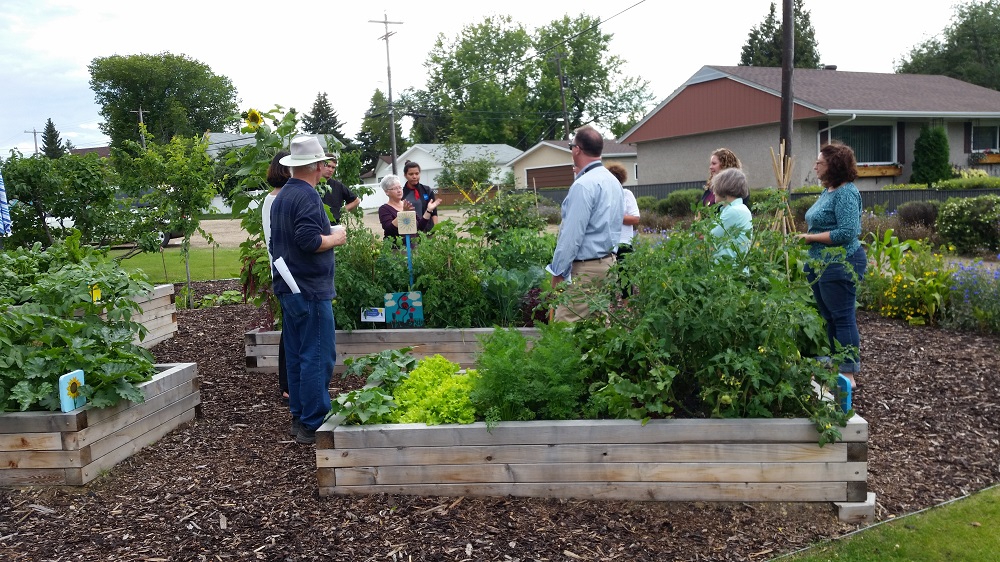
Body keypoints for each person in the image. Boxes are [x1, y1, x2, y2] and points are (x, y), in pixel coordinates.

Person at [269, 136, 347, 445]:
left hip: (289, 286)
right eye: (323, 163)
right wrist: (335, 237)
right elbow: (309, 240)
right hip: (309, 288)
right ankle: (315, 423)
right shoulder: (307, 197)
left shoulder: (284, 194)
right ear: (315, 165)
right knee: (317, 355)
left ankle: (301, 417)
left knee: (300, 353)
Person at [798, 141, 867, 390]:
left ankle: (848, 373)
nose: (815, 166)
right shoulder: (829, 191)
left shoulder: (847, 193)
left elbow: (847, 232)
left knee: (843, 316)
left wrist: (810, 238)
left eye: (820, 162)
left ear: (834, 166)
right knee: (830, 316)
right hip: (820, 263)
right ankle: (837, 362)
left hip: (841, 262)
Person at [546, 125, 624, 322]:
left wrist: (558, 272)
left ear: (577, 149)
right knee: (597, 331)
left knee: (565, 330)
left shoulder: (584, 185)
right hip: (608, 264)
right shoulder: (612, 181)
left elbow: (571, 235)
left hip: (585, 270)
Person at [262, 150, 290, 405]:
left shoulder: (275, 198)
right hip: (286, 273)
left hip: (284, 271)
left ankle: (289, 383)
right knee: (290, 331)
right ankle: (287, 385)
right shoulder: (275, 200)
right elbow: (276, 243)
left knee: (290, 330)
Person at [607, 163, 639, 299]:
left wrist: (616, 216)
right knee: (607, 278)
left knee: (625, 278)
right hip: (608, 244)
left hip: (624, 243)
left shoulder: (626, 194)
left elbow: (635, 219)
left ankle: (628, 309)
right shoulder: (605, 196)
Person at [708, 168, 753, 261]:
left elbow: (710, 237)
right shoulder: (737, 208)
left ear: (724, 187)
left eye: (716, 187)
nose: (713, 192)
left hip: (730, 271)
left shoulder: (734, 211)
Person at [378, 174, 438, 241]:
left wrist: (428, 210)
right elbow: (389, 230)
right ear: (386, 192)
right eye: (395, 188)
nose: (399, 190)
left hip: (412, 246)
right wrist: (404, 213)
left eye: (400, 187)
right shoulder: (384, 209)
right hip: (396, 248)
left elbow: (419, 227)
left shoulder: (407, 204)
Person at [318, 153, 360, 225]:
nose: (330, 170)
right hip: (316, 224)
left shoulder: (338, 186)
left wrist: (341, 211)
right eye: (328, 166)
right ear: (321, 165)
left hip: (333, 225)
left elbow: (356, 201)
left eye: (333, 167)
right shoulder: (313, 183)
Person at [402, 161, 439, 226]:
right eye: (411, 174)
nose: (414, 176)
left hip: (427, 231)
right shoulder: (401, 193)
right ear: (405, 175)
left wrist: (435, 229)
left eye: (417, 173)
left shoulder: (427, 190)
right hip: (409, 230)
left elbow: (434, 213)